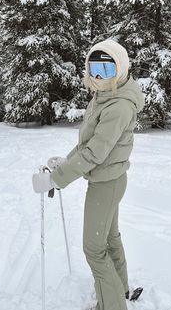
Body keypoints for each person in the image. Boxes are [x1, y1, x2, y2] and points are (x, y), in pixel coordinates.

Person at [32, 38, 145, 310]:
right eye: (93, 68)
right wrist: (66, 162)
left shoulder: (118, 105)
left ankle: (112, 305)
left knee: (94, 250)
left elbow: (95, 153)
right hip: (111, 179)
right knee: (109, 238)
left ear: (120, 70)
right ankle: (120, 289)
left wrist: (55, 180)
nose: (97, 76)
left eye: (105, 71)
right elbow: (89, 143)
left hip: (106, 184)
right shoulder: (106, 95)